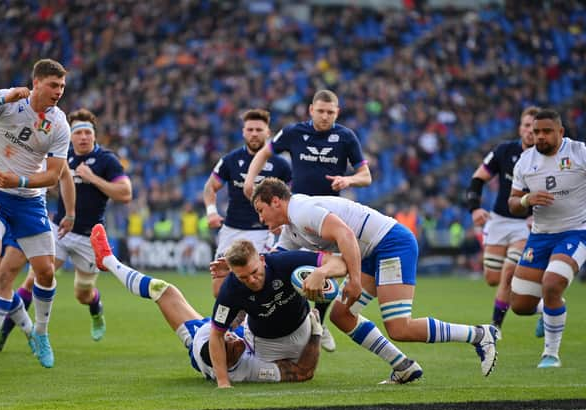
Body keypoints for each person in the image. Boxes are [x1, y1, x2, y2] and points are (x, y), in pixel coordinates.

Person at [252, 177, 500, 380]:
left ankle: (478, 335)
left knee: (399, 327)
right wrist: (233, 268)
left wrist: (355, 280)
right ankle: (403, 366)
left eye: (261, 211)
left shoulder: (301, 211)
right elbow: (271, 262)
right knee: (340, 314)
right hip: (371, 252)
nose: (261, 219)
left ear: (275, 201)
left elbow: (345, 235)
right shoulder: (290, 229)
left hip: (391, 243)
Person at [89, 224, 322, 384]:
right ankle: (108, 260)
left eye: (229, 340)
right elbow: (302, 373)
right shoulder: (244, 370)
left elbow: (220, 332)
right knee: (166, 292)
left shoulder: (212, 338)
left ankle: (108, 260)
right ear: (230, 361)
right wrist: (316, 332)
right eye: (233, 346)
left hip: (202, 335)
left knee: (162, 290)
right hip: (208, 346)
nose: (234, 339)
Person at [0, 58, 72, 368]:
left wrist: (21, 180)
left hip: (30, 201)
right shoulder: (9, 100)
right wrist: (1, 98)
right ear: (36, 82)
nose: (58, 91)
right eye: (53, 85)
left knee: (46, 271)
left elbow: (53, 176)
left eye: (62, 86)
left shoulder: (59, 124)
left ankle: (40, 332)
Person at [242, 90, 372, 353]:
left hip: (327, 218)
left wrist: (349, 180)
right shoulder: (293, 132)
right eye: (321, 111)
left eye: (330, 112)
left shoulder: (346, 137)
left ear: (338, 112)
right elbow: (264, 153)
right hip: (295, 213)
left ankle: (319, 323)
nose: (325, 116)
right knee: (284, 264)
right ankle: (274, 317)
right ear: (311, 109)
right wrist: (249, 179)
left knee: (326, 267)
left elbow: (366, 175)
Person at [0, 108, 132, 351]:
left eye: (88, 132)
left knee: (82, 293)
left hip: (89, 238)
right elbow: (49, 182)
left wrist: (93, 178)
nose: (83, 137)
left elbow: (126, 194)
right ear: (71, 135)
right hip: (60, 230)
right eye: (78, 133)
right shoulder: (61, 156)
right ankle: (0, 336)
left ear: (94, 135)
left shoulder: (107, 160)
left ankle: (95, 309)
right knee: (32, 280)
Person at [207, 238, 382, 389]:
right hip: (265, 345)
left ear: (261, 259)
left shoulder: (284, 262)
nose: (252, 280)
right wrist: (223, 382)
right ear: (233, 273)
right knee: (287, 379)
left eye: (254, 272)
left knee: (306, 373)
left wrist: (321, 272)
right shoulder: (230, 289)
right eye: (243, 278)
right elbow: (216, 334)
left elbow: (339, 263)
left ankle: (318, 322)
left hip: (302, 329)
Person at [507, 109, 586, 369]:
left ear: (560, 132)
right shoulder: (525, 162)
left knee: (551, 284)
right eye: (536, 132)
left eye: (546, 131)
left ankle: (550, 355)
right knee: (519, 304)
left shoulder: (579, 153)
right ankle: (551, 308)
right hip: (540, 236)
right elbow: (513, 203)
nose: (539, 136)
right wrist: (527, 200)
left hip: (577, 231)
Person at [466, 106, 541, 331]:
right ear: (520, 127)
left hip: (525, 224)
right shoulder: (504, 150)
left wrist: (538, 216)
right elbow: (478, 178)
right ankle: (547, 307)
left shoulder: (547, 159)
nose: (530, 131)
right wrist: (475, 209)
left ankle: (494, 329)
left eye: (535, 128)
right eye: (526, 125)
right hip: (499, 220)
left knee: (509, 273)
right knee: (492, 278)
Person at [203, 108, 291, 295]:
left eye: (259, 130)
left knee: (255, 281)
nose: (254, 134)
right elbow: (210, 187)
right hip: (231, 229)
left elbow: (291, 196)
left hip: (263, 231)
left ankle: (251, 323)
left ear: (268, 132)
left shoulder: (280, 165)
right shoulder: (230, 160)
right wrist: (211, 211)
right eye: (250, 129)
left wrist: (282, 221)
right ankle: (232, 323)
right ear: (243, 132)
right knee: (219, 288)